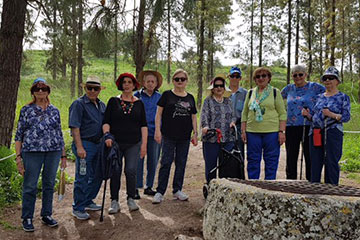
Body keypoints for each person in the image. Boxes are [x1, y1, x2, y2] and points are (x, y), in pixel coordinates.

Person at [15, 78, 67, 232]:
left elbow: (59, 133)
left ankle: (46, 214)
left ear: (48, 91)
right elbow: (19, 135)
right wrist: (18, 158)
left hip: (53, 151)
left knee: (49, 184)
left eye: (43, 89)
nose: (40, 92)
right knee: (30, 185)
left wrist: (63, 156)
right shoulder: (26, 110)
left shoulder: (54, 111)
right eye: (37, 89)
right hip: (32, 152)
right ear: (32, 92)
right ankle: (27, 217)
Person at [103, 72, 148, 213]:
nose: (127, 85)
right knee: (115, 171)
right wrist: (107, 135)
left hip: (134, 143)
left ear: (134, 85)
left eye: (130, 82)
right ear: (120, 85)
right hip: (115, 143)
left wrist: (144, 145)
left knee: (131, 170)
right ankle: (114, 201)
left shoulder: (139, 103)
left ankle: (131, 198)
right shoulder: (113, 101)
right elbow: (106, 122)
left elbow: (144, 126)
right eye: (124, 82)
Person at [152, 69, 198, 204]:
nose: (179, 81)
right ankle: (160, 191)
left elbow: (194, 117)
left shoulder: (190, 98)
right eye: (177, 79)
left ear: (186, 81)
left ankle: (177, 190)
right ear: (173, 81)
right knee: (165, 162)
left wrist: (195, 133)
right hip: (168, 135)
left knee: (181, 163)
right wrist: (157, 131)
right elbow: (158, 114)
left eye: (182, 79)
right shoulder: (166, 95)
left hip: (184, 136)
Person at [302, 66, 350, 185]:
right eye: (325, 78)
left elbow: (346, 117)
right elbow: (314, 116)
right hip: (316, 132)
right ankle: (315, 187)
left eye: (331, 78)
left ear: (337, 81)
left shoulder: (343, 97)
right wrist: (307, 115)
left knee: (331, 161)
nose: (328, 80)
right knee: (315, 161)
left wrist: (332, 115)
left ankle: (332, 188)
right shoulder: (319, 97)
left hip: (333, 131)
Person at [69, 76, 106, 220]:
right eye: (89, 88)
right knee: (82, 176)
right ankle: (78, 207)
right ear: (85, 89)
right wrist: (79, 147)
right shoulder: (78, 104)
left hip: (99, 145)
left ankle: (88, 201)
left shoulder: (102, 105)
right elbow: (75, 127)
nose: (92, 91)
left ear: (99, 90)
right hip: (85, 144)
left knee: (98, 174)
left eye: (95, 88)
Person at [241, 67, 287, 180]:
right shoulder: (251, 92)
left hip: (271, 132)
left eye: (264, 76)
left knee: (271, 160)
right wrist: (243, 131)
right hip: (252, 132)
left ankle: (269, 186)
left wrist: (282, 132)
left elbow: (282, 113)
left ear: (269, 78)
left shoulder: (275, 92)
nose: (261, 78)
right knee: (252, 160)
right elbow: (245, 113)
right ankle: (253, 185)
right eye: (258, 76)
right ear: (255, 79)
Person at [281, 65, 325, 181]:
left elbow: (328, 95)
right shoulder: (288, 89)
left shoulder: (315, 87)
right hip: (291, 126)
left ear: (305, 74)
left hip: (309, 125)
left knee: (309, 155)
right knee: (291, 155)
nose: (298, 77)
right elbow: (278, 101)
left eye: (300, 74)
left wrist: (317, 111)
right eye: (295, 75)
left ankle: (312, 181)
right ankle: (291, 180)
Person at [201, 75, 235, 183]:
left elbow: (233, 115)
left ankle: (223, 187)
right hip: (212, 137)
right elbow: (204, 115)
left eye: (221, 86)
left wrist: (233, 122)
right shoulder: (208, 101)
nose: (219, 88)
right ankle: (210, 186)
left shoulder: (228, 101)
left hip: (228, 137)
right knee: (211, 164)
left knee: (226, 164)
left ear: (224, 88)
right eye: (216, 86)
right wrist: (205, 127)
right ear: (212, 88)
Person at [134, 70, 162, 199]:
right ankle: (135, 187)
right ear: (143, 83)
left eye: (153, 82)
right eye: (148, 81)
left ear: (156, 84)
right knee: (138, 160)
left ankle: (149, 186)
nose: (150, 84)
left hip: (155, 132)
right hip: (139, 133)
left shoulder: (160, 97)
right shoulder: (136, 96)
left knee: (153, 160)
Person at [228, 66, 247, 161]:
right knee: (226, 153)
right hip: (225, 126)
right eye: (232, 76)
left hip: (239, 127)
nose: (234, 78)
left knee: (239, 153)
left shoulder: (245, 93)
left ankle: (239, 174)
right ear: (229, 77)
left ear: (240, 78)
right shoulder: (223, 92)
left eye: (237, 76)